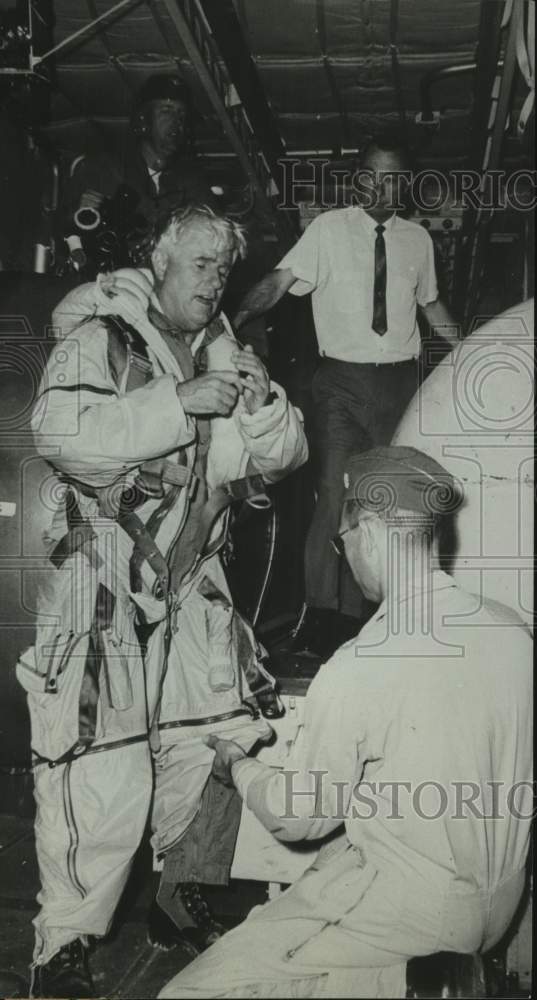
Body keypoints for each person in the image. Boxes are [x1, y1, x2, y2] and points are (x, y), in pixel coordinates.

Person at [18, 202, 308, 998]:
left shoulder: (224, 350)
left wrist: (260, 404)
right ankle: (63, 946)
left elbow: (283, 458)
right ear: (158, 260)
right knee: (101, 769)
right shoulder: (100, 339)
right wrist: (180, 401)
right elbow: (59, 429)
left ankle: (180, 900)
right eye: (200, 263)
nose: (213, 282)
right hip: (103, 582)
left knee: (212, 742)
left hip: (193, 586)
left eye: (224, 268)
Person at [158, 445, 533, 1000]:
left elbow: (298, 818)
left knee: (189, 994)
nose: (344, 556)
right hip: (498, 907)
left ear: (374, 534)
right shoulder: (513, 631)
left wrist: (239, 767)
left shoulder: (364, 661)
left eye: (343, 540)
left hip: (411, 911)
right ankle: (425, 983)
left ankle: (411, 982)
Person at [233, 136, 459, 657]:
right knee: (335, 492)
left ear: (406, 185)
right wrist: (237, 317)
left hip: (400, 383)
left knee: (387, 499)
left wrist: (474, 352)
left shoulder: (418, 242)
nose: (381, 187)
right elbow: (278, 281)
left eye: (393, 178)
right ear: (358, 179)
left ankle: (368, 617)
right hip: (338, 382)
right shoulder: (328, 230)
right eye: (371, 176)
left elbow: (433, 307)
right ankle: (321, 614)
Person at [63, 74, 217, 273]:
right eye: (166, 110)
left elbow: (216, 232)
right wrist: (79, 213)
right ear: (144, 120)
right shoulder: (105, 168)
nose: (176, 121)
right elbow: (61, 225)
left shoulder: (192, 182)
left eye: (181, 115)